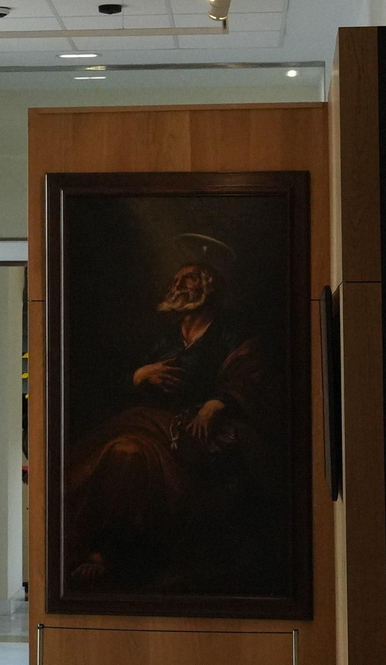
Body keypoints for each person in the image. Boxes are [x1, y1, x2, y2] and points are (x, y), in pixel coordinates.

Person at [62, 235, 287, 597]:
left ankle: (109, 550)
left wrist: (220, 401)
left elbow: (253, 378)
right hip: (156, 427)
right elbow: (116, 389)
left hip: (205, 439)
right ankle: (99, 545)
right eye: (177, 279)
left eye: (189, 279)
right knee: (116, 449)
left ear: (209, 288)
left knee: (127, 452)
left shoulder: (232, 333)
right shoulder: (164, 340)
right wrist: (140, 375)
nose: (178, 285)